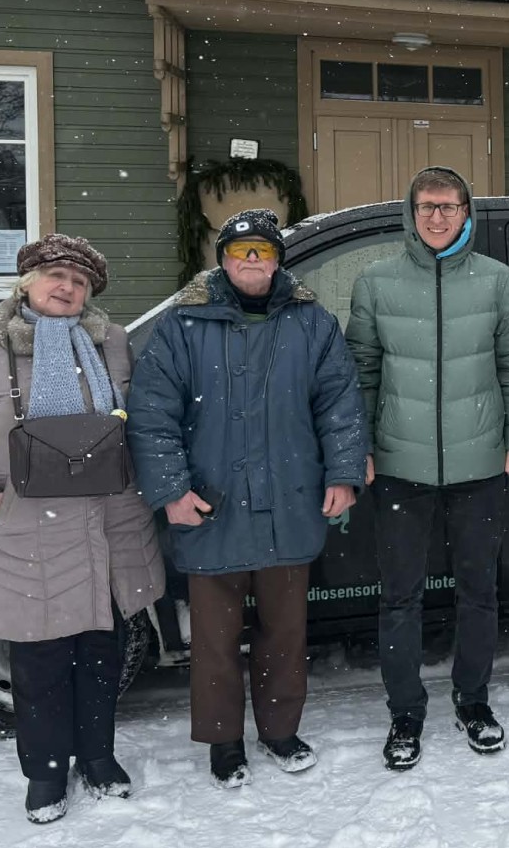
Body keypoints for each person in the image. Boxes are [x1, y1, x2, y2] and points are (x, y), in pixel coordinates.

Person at [0, 235, 165, 824]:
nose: (67, 287)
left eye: (79, 282)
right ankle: (45, 774)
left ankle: (99, 759)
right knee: (40, 660)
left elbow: (138, 427)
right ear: (24, 283)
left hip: (108, 526)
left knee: (104, 650)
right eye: (54, 275)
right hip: (28, 533)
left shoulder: (113, 346)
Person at [127, 209, 367, 787]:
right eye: (241, 253)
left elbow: (340, 405)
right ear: (224, 261)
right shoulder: (183, 325)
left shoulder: (312, 323)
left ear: (278, 259)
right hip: (213, 504)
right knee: (213, 638)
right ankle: (223, 741)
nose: (252, 262)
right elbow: (152, 414)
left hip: (290, 497)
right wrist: (171, 492)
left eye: (262, 251)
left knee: (285, 632)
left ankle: (281, 731)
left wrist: (342, 475)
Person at [346, 166, 509, 772]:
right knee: (399, 597)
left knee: (479, 593)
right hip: (400, 466)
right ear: (411, 210)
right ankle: (406, 711)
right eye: (427, 206)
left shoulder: (497, 282)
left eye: (449, 207)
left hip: (481, 463)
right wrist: (360, 449)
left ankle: (473, 701)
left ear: (466, 212)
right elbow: (362, 373)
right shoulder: (375, 282)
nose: (437, 217)